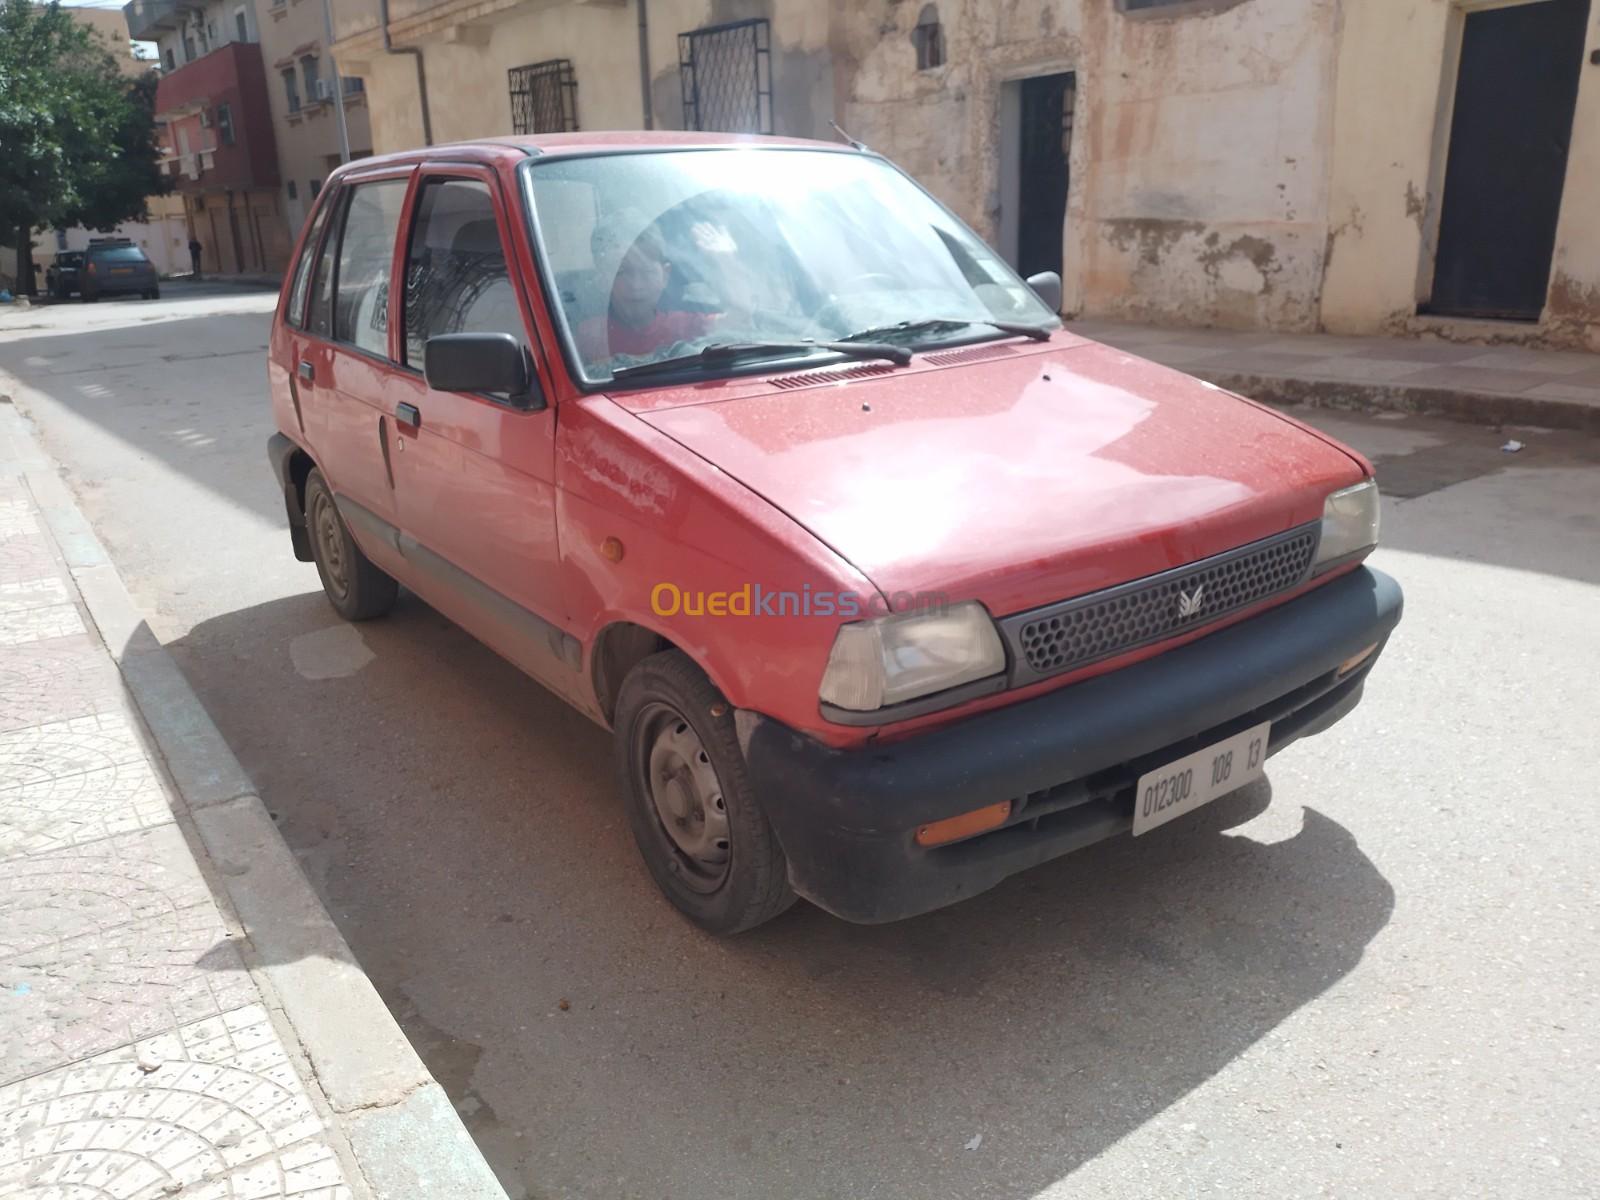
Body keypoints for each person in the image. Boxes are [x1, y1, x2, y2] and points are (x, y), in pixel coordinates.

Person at [576, 225, 714, 367]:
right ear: (603, 279)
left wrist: (726, 260)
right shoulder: (587, 338)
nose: (636, 286)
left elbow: (736, 323)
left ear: (665, 275)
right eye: (621, 272)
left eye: (647, 271)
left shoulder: (690, 326)